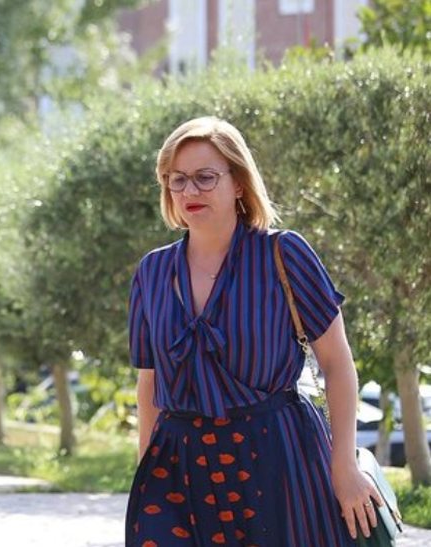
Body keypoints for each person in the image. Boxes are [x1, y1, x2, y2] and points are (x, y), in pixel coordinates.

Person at [125, 117, 381, 546]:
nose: (189, 191)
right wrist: (145, 470)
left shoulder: (285, 253)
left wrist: (344, 466)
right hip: (177, 468)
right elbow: (149, 383)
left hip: (277, 461)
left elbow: (337, 365)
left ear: (239, 183)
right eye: (177, 180)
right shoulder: (151, 272)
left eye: (205, 177)